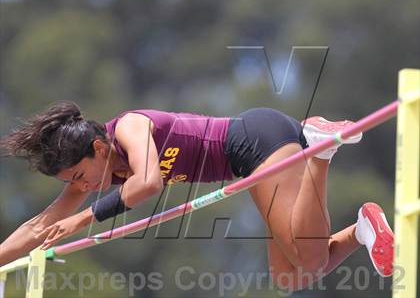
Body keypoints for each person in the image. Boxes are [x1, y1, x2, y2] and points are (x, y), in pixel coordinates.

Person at [0, 100, 394, 291]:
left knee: (308, 256)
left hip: (256, 138)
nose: (82, 188)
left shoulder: (130, 129)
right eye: (74, 184)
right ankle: (361, 230)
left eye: (81, 176)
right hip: (247, 162)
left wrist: (84, 218)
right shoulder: (94, 169)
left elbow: (149, 182)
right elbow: (39, 226)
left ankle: (320, 149)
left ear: (99, 148)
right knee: (291, 277)